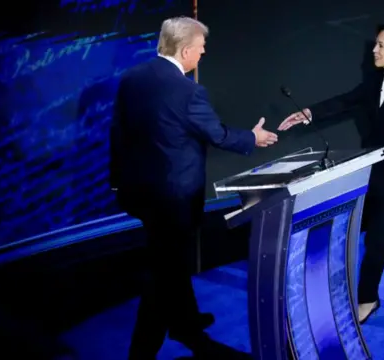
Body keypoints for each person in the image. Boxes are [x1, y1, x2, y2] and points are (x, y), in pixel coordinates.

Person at [109, 16, 278, 359]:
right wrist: (254, 137)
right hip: (174, 199)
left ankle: (186, 322)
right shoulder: (188, 91)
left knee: (169, 260)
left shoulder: (132, 78)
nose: (202, 55)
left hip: (141, 194)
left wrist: (117, 183)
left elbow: (119, 133)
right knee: (163, 276)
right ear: (185, 50)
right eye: (201, 50)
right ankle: (142, 352)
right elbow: (217, 134)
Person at [278, 24, 384, 322]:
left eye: (381, 45)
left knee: (377, 240)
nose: (375, 50)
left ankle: (368, 299)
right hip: (383, 175)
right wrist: (308, 113)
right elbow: (345, 101)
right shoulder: (376, 82)